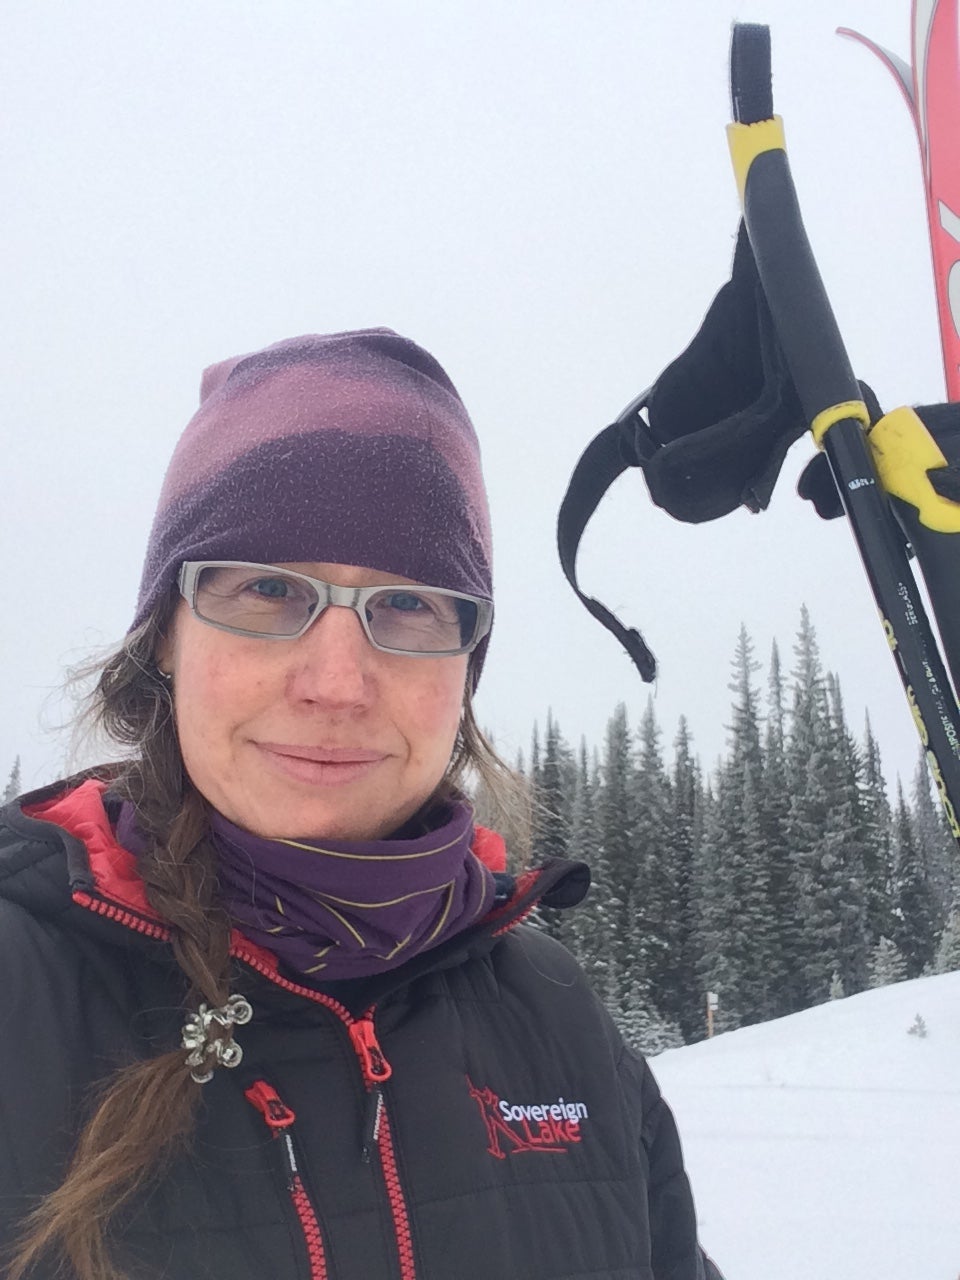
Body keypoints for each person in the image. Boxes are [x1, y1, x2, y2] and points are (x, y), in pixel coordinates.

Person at [0, 330, 723, 1280]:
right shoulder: (23, 989)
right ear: (165, 638)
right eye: (266, 589)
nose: (337, 683)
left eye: (410, 604)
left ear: (466, 668)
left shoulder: (557, 1017)